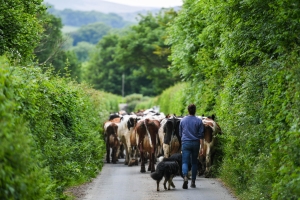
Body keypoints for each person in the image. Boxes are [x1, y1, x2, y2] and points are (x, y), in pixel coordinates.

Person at [179, 104, 204, 189]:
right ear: (195, 110)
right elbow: (201, 136)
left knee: (185, 162)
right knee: (194, 163)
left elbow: (180, 133)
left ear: (188, 110)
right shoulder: (199, 121)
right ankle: (193, 182)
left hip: (185, 143)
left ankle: (185, 176)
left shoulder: (182, 120)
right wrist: (202, 147)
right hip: (196, 143)